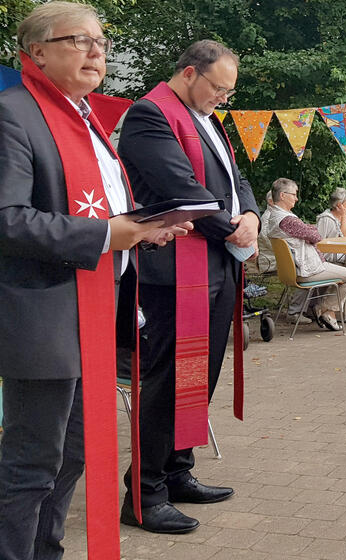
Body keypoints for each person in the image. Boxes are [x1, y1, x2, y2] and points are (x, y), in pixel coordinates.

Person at [0, 3, 189, 557]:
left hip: (95, 311)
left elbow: (103, 207)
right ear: (35, 52)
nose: (97, 51)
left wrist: (145, 227)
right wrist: (109, 235)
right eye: (79, 40)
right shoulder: (14, 113)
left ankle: (46, 551)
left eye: (101, 42)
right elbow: (7, 217)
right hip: (43, 317)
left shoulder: (86, 118)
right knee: (33, 460)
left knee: (75, 453)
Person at [117, 39, 261, 534]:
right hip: (172, 266)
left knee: (201, 372)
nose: (223, 97)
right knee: (167, 380)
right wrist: (235, 228)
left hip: (215, 262)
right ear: (188, 73)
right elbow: (181, 188)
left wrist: (254, 216)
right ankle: (144, 493)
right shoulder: (149, 115)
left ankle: (178, 471)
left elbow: (237, 180)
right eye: (218, 87)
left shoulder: (207, 117)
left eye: (228, 90)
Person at [266, 178, 346, 330]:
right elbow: (316, 236)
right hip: (307, 269)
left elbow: (310, 231)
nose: (296, 198)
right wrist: (310, 229)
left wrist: (309, 229)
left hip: (298, 268)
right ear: (283, 195)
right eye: (294, 194)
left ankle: (325, 310)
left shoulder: (275, 216)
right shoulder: (288, 220)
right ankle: (324, 308)